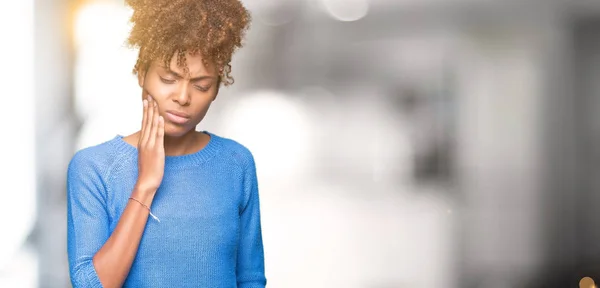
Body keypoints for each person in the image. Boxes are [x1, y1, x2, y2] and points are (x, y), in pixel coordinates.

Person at [66, 0, 266, 287]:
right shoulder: (93, 168)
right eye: (168, 78)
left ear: (217, 89)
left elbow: (251, 279)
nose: (183, 97)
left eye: (201, 85)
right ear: (141, 74)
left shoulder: (236, 163)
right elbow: (89, 284)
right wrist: (145, 184)